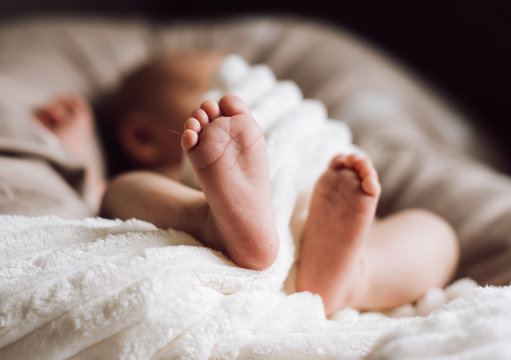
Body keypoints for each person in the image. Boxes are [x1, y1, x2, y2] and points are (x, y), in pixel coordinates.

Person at [33, 51, 459, 315]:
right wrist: (79, 148)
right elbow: (92, 199)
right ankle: (212, 220)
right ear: (142, 136)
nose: (250, 93)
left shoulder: (318, 165)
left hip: (327, 216)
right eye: (216, 86)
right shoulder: (168, 171)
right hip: (221, 204)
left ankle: (351, 275)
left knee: (435, 232)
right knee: (122, 190)